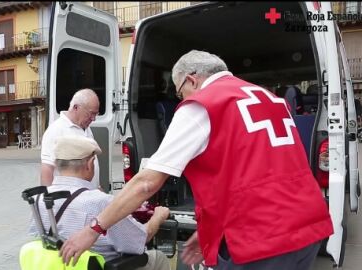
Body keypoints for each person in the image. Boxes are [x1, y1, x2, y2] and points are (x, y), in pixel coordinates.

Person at [59, 50, 334, 270]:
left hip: (263, 239)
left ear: (192, 79)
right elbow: (249, 173)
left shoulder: (205, 104)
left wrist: (94, 229)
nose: (181, 98)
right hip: (307, 225)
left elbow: (146, 184)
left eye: (179, 91)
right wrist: (208, 232)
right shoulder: (268, 97)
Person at [31, 135, 171, 270]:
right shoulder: (101, 201)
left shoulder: (38, 198)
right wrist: (158, 217)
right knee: (158, 258)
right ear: (90, 164)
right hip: (106, 265)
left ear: (57, 165)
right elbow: (139, 240)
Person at [40, 88, 100, 189]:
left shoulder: (86, 128)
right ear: (76, 107)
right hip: (70, 200)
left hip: (88, 195)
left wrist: (97, 188)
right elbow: (47, 168)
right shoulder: (56, 130)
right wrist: (49, 199)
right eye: (91, 113)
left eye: (96, 114)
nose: (94, 118)